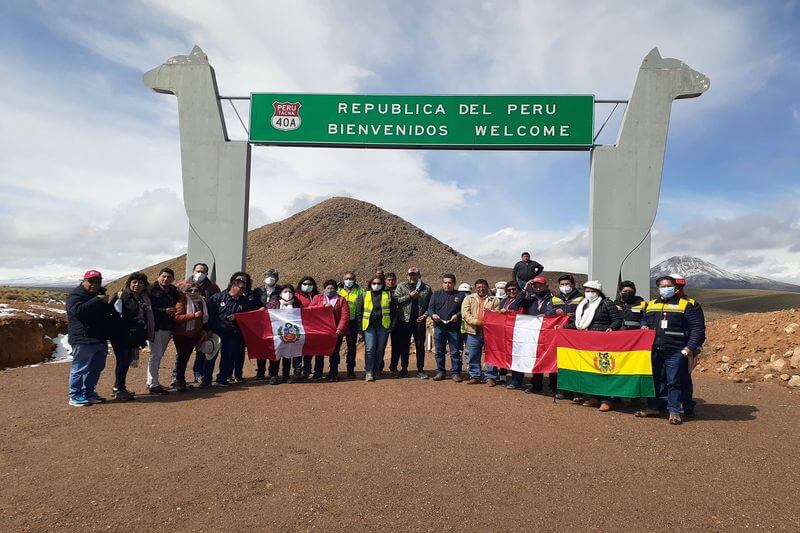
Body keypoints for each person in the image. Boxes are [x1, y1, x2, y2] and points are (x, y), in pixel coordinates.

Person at [637, 276, 705, 425]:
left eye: (668, 286)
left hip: (676, 350)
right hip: (655, 349)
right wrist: (643, 325)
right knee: (655, 380)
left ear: (674, 288)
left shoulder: (685, 305)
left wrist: (689, 348)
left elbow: (697, 328)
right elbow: (645, 319)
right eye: (662, 286)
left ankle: (674, 411)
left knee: (673, 381)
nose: (665, 288)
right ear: (658, 288)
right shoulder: (652, 304)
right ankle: (654, 407)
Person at [566, 280, 622, 411]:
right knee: (590, 370)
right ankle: (594, 397)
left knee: (603, 369)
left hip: (603, 342)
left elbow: (617, 320)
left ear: (598, 292)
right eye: (587, 291)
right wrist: (563, 328)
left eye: (592, 291)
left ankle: (606, 399)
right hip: (587, 342)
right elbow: (577, 323)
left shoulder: (607, 303)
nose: (589, 294)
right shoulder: (583, 305)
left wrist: (611, 328)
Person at [66, 270, 115, 406]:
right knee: (80, 368)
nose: (94, 285)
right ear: (83, 281)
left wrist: (111, 301)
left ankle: (88, 392)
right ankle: (75, 395)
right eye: (91, 281)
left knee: (97, 367)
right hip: (83, 338)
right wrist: (97, 300)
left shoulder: (100, 295)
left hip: (99, 338)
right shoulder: (75, 295)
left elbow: (105, 315)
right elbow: (77, 311)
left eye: (97, 282)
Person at [204, 276, 257, 387]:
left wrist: (237, 316)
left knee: (227, 357)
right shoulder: (218, 297)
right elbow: (210, 314)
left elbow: (247, 316)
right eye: (241, 288)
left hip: (231, 333)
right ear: (233, 286)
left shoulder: (244, 301)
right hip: (215, 332)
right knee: (210, 356)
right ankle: (206, 380)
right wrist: (208, 329)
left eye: (244, 289)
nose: (243, 291)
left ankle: (222, 378)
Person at [109, 272, 155, 401]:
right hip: (120, 335)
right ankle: (120, 389)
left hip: (134, 335)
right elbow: (112, 313)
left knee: (125, 361)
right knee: (123, 361)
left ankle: (117, 387)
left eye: (140, 283)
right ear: (129, 283)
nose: (137, 285)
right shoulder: (121, 296)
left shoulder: (144, 298)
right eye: (134, 282)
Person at [176, 262, 220, 384]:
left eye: (203, 271)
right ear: (193, 271)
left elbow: (214, 307)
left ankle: (198, 373)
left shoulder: (213, 287)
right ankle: (177, 377)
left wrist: (209, 327)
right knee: (181, 354)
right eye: (198, 271)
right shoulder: (181, 285)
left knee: (201, 351)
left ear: (206, 273)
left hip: (202, 326)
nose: (200, 273)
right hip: (183, 328)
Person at [671, 274, 706, 418]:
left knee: (684, 377)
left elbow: (699, 327)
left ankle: (687, 405)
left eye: (678, 287)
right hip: (666, 346)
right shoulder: (660, 303)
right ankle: (668, 404)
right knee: (667, 377)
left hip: (686, 346)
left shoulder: (691, 303)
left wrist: (695, 346)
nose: (675, 289)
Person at [355, 274, 397, 381]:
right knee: (370, 349)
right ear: (370, 284)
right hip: (369, 327)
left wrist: (391, 326)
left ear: (382, 284)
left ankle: (376, 370)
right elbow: (359, 312)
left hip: (383, 326)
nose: (376, 285)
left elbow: (393, 312)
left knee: (380, 350)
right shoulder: (364, 295)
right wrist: (360, 328)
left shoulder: (387, 295)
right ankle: (369, 371)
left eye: (378, 283)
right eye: (374, 283)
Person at [146, 268, 180, 395]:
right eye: (164, 276)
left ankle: (151, 382)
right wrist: (163, 310)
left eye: (169, 277)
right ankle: (153, 385)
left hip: (167, 327)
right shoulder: (150, 290)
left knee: (158, 355)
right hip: (154, 327)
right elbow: (146, 308)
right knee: (156, 355)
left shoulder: (173, 290)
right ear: (158, 276)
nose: (166, 279)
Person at [393, 267, 432, 379]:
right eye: (410, 275)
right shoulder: (401, 286)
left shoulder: (426, 288)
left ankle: (420, 370)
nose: (412, 277)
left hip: (419, 321)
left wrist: (425, 315)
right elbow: (396, 300)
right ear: (407, 276)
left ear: (419, 276)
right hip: (405, 321)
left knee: (420, 346)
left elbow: (431, 305)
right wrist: (409, 296)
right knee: (404, 346)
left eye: (414, 275)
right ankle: (404, 369)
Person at [550, 274, 584, 398]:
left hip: (576, 334)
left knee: (576, 363)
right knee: (563, 362)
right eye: (562, 284)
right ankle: (564, 390)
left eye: (567, 284)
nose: (565, 287)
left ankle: (578, 392)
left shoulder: (581, 298)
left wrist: (574, 316)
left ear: (573, 285)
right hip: (561, 335)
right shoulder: (555, 299)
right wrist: (554, 311)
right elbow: (548, 311)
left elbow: (586, 314)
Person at [427, 274, 464, 382]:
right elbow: (430, 308)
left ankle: (456, 373)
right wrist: (433, 315)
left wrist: (457, 315)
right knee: (439, 351)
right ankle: (440, 372)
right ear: (442, 283)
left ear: (454, 284)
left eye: (450, 283)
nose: (447, 285)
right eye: (445, 282)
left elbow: (463, 310)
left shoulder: (460, 295)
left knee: (455, 352)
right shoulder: (436, 294)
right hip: (439, 327)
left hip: (454, 328)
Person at [310, 279, 351, 380]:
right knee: (319, 352)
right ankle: (318, 372)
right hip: (320, 330)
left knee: (334, 351)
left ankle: (333, 373)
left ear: (336, 289)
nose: (330, 290)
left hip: (335, 330)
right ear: (324, 289)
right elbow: (310, 310)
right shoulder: (317, 298)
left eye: (332, 288)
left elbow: (345, 316)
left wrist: (339, 329)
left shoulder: (341, 300)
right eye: (328, 288)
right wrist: (323, 306)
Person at [171, 282, 208, 391]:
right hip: (182, 335)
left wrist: (203, 330)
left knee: (186, 357)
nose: (193, 293)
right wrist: (193, 315)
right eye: (190, 290)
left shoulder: (202, 302)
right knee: (182, 358)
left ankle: (181, 380)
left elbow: (203, 319)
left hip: (194, 334)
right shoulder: (182, 301)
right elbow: (176, 318)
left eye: (195, 290)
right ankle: (179, 381)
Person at [461, 279, 499, 385]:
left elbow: (497, 313)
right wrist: (477, 322)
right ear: (475, 288)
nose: (481, 289)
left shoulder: (494, 300)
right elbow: (465, 314)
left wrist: (488, 321)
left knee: (490, 354)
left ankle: (490, 377)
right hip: (473, 331)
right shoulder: (468, 299)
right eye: (478, 287)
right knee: (473, 354)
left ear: (487, 287)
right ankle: (475, 375)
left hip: (489, 332)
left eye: (483, 287)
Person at [523, 276, 556, 393]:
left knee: (552, 358)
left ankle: (554, 387)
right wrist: (525, 288)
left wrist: (546, 314)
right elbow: (517, 303)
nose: (537, 288)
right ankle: (536, 386)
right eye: (535, 285)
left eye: (540, 285)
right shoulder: (530, 298)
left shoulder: (554, 298)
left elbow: (558, 310)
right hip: (533, 334)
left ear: (546, 286)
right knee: (536, 359)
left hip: (549, 333)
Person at [267, 285, 303, 384]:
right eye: (285, 291)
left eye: (290, 291)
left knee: (288, 354)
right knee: (276, 353)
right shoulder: (274, 303)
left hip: (291, 332)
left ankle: (286, 375)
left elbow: (302, 315)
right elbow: (267, 314)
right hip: (277, 332)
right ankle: (274, 375)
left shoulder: (297, 304)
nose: (288, 294)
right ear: (280, 293)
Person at [252, 268, 282, 380]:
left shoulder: (281, 290)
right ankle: (260, 371)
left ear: (277, 279)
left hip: (276, 322)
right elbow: (253, 304)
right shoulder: (257, 291)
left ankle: (273, 372)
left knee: (275, 346)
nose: (270, 278)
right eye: (267, 276)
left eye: (273, 276)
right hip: (261, 323)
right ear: (264, 278)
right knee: (261, 347)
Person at [497, 281, 528, 390]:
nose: (511, 291)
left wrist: (524, 290)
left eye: (514, 289)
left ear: (518, 290)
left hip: (519, 331)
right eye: (509, 290)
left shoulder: (523, 301)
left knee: (517, 356)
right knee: (507, 355)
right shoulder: (505, 301)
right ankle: (503, 376)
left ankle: (517, 380)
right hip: (506, 332)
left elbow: (516, 305)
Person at [337, 272, 364, 379]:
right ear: (343, 279)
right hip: (339, 322)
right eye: (347, 278)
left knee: (351, 347)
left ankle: (350, 370)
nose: (349, 280)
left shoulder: (360, 291)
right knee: (336, 346)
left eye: (351, 279)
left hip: (353, 322)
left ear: (355, 279)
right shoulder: (337, 291)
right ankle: (334, 369)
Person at [296, 276, 320, 379]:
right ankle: (297, 370)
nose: (307, 286)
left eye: (310, 284)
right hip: (299, 324)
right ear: (300, 284)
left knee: (309, 348)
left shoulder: (317, 296)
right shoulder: (296, 295)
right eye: (305, 284)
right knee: (297, 348)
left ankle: (307, 370)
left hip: (312, 326)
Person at [384, 273, 400, 375]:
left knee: (396, 346)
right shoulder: (382, 291)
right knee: (381, 346)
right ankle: (379, 367)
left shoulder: (399, 290)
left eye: (393, 280)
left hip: (397, 322)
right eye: (389, 280)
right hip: (384, 322)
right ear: (385, 281)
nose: (391, 282)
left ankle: (393, 367)